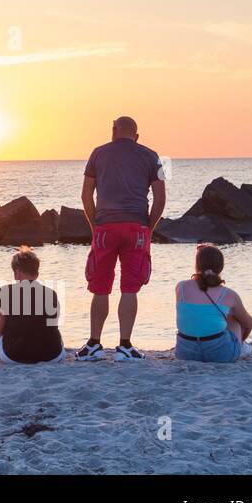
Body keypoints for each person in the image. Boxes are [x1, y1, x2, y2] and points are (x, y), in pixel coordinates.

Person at [76, 115, 166, 362]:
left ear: (113, 131)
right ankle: (125, 345)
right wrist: (148, 227)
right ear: (137, 135)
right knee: (130, 287)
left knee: (100, 287)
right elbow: (160, 199)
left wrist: (96, 226)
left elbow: (86, 196)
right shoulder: (152, 155)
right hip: (136, 227)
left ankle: (94, 343)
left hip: (106, 226)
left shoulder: (98, 153)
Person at [175, 245, 252, 363]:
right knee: (234, 317)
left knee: (203, 316)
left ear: (197, 265)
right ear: (221, 267)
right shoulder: (229, 295)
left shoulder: (181, 287)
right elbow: (248, 324)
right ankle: (240, 347)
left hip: (185, 353)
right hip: (220, 356)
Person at [0, 247, 65, 363]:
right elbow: (52, 324)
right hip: (52, 355)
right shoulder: (51, 293)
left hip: (14, 356)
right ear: (37, 274)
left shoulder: (6, 292)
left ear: (17, 273)